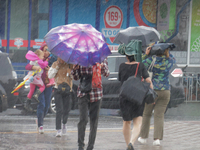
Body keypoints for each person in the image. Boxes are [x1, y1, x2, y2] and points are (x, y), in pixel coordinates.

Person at [138, 46, 176, 146]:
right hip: (165, 91)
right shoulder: (169, 61)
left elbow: (139, 63)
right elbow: (173, 58)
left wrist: (147, 54)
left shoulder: (151, 60)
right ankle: (157, 139)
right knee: (159, 115)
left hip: (152, 91)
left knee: (147, 114)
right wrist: (167, 50)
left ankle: (143, 137)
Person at [71, 60, 109, 150]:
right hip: (83, 92)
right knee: (83, 119)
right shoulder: (81, 57)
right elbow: (76, 77)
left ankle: (90, 146)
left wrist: (102, 66)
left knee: (94, 121)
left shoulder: (101, 57)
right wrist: (75, 69)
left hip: (97, 93)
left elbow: (107, 74)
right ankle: (80, 145)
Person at [118, 54, 153, 150]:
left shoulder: (121, 66)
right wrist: (152, 93)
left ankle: (127, 145)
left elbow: (121, 80)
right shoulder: (140, 65)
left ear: (127, 56)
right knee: (138, 122)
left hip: (124, 96)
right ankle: (131, 142)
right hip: (137, 96)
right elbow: (148, 80)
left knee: (126, 122)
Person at [25, 43, 57, 134]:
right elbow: (27, 66)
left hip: (48, 84)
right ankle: (40, 125)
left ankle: (40, 119)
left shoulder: (52, 60)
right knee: (41, 104)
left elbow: (55, 71)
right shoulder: (38, 58)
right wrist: (35, 67)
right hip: (38, 84)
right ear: (42, 50)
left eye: (48, 50)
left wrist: (49, 69)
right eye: (45, 50)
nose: (46, 52)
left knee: (47, 106)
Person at [48, 57, 73, 137]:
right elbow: (50, 75)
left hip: (67, 89)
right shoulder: (55, 64)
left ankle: (64, 123)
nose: (61, 59)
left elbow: (76, 77)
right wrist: (57, 66)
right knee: (59, 110)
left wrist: (71, 73)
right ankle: (58, 129)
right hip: (58, 89)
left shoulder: (70, 65)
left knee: (67, 109)